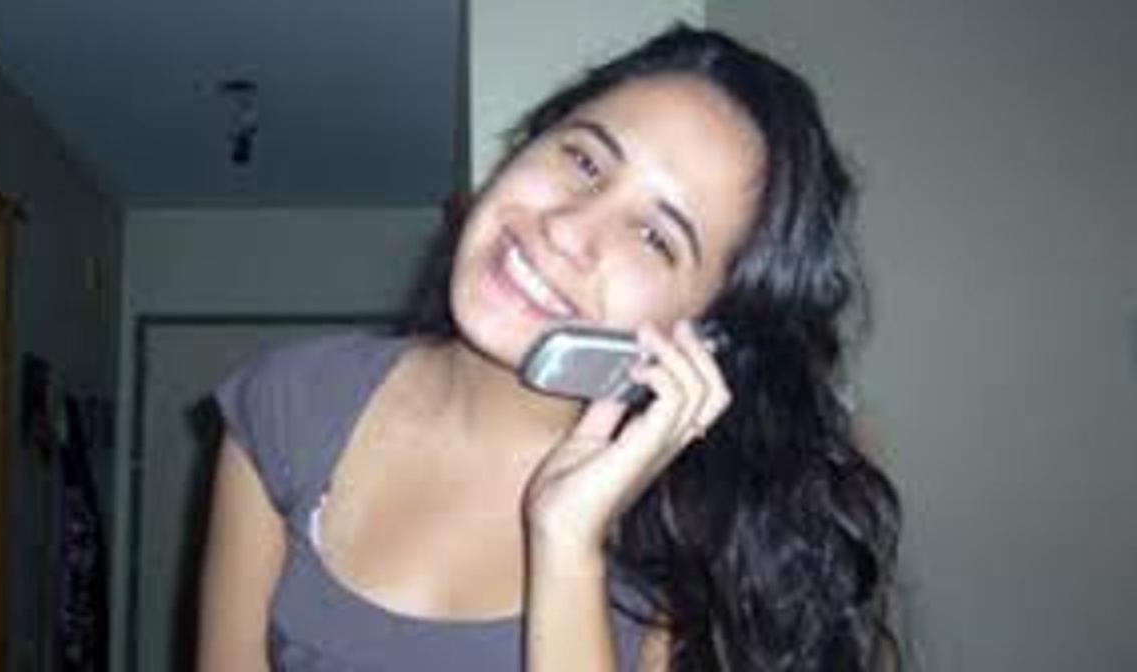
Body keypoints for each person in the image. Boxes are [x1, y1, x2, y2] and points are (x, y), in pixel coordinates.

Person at [197, 24, 901, 671]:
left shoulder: (696, 550)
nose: (568, 229)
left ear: (704, 336)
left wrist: (568, 547)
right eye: (585, 161)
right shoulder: (290, 401)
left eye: (654, 237)